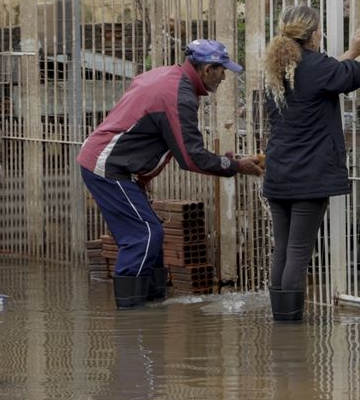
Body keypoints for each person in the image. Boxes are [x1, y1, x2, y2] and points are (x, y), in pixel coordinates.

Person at [78, 39, 265, 309]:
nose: (225, 77)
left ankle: (153, 307)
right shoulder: (179, 93)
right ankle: (130, 316)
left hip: (117, 166)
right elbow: (190, 157)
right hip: (108, 167)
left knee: (151, 235)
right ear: (207, 69)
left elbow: (167, 140)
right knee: (144, 235)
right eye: (222, 69)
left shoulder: (169, 78)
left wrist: (232, 161)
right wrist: (237, 167)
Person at [261, 6, 360, 322]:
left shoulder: (279, 67)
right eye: (320, 30)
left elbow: (327, 76)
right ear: (314, 34)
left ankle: (282, 321)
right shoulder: (317, 67)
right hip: (309, 177)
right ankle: (290, 327)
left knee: (284, 249)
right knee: (299, 252)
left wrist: (355, 49)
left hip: (279, 174)